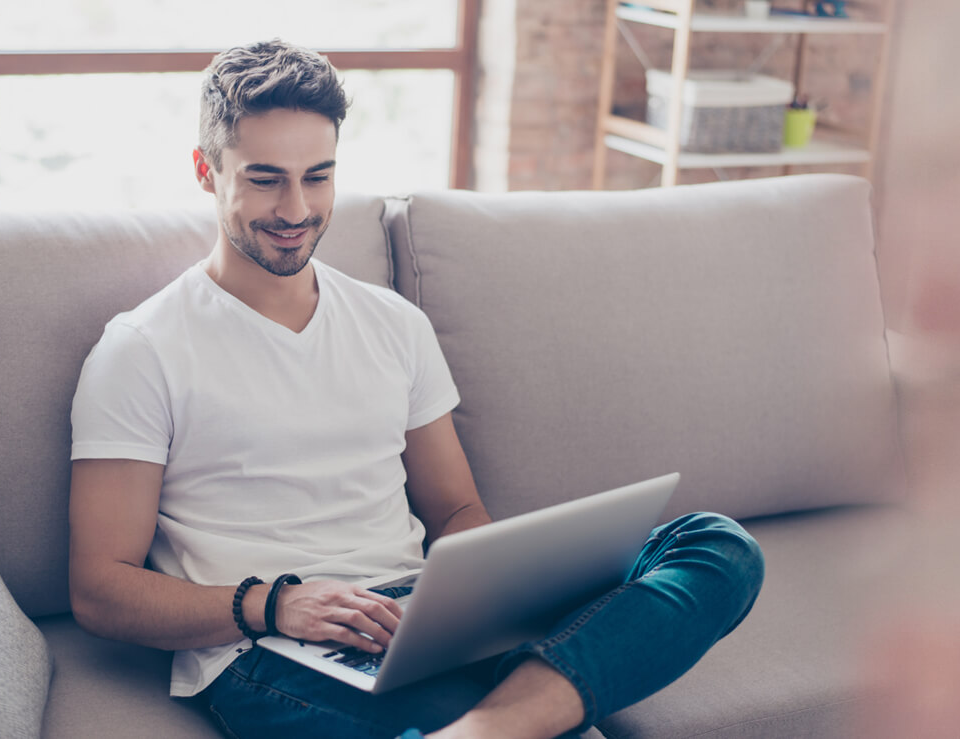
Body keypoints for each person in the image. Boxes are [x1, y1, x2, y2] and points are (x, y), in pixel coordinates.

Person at [67, 39, 764, 739]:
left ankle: (494, 723)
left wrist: (478, 601)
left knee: (716, 547)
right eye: (264, 178)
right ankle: (536, 709)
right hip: (266, 649)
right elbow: (100, 589)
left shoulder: (393, 323)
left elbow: (456, 508)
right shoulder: (143, 349)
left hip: (415, 619)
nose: (296, 207)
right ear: (204, 170)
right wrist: (275, 604)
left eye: (318, 175)